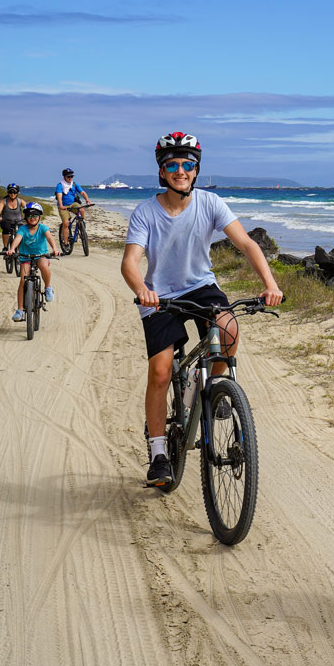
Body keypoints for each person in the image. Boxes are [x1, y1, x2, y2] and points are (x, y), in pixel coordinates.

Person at [120, 132, 283, 489]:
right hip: (159, 296)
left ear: (196, 170)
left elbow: (246, 243)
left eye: (187, 165)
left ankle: (208, 385)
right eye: (173, 165)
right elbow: (130, 262)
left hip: (201, 287)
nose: (181, 171)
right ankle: (159, 452)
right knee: (161, 372)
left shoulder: (210, 203)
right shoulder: (146, 212)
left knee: (229, 330)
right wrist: (142, 290)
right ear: (162, 172)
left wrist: (270, 284)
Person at [7, 202, 57, 321]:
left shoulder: (43, 228)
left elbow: (49, 237)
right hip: (25, 257)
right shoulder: (23, 229)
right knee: (23, 280)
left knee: (44, 266)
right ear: (25, 217)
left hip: (41, 255)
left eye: (35, 215)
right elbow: (17, 238)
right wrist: (12, 249)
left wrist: (55, 249)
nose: (32, 218)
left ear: (39, 216)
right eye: (29, 215)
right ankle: (20, 310)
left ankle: (48, 288)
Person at [54, 168, 91, 250]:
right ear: (64, 177)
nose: (70, 178)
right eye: (68, 176)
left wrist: (87, 200)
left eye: (72, 176)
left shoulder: (74, 184)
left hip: (73, 203)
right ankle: (66, 243)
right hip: (63, 205)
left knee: (81, 209)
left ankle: (81, 225)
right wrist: (61, 205)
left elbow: (82, 192)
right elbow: (59, 196)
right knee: (66, 223)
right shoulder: (60, 185)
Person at [0, 183, 25, 253]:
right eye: (10, 192)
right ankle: (5, 247)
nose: (12, 194)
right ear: (8, 192)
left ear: (17, 193)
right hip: (6, 221)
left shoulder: (20, 201)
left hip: (18, 221)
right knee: (6, 229)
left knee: (22, 232)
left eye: (14, 192)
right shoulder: (4, 201)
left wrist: (28, 216)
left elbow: (27, 209)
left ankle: (20, 250)